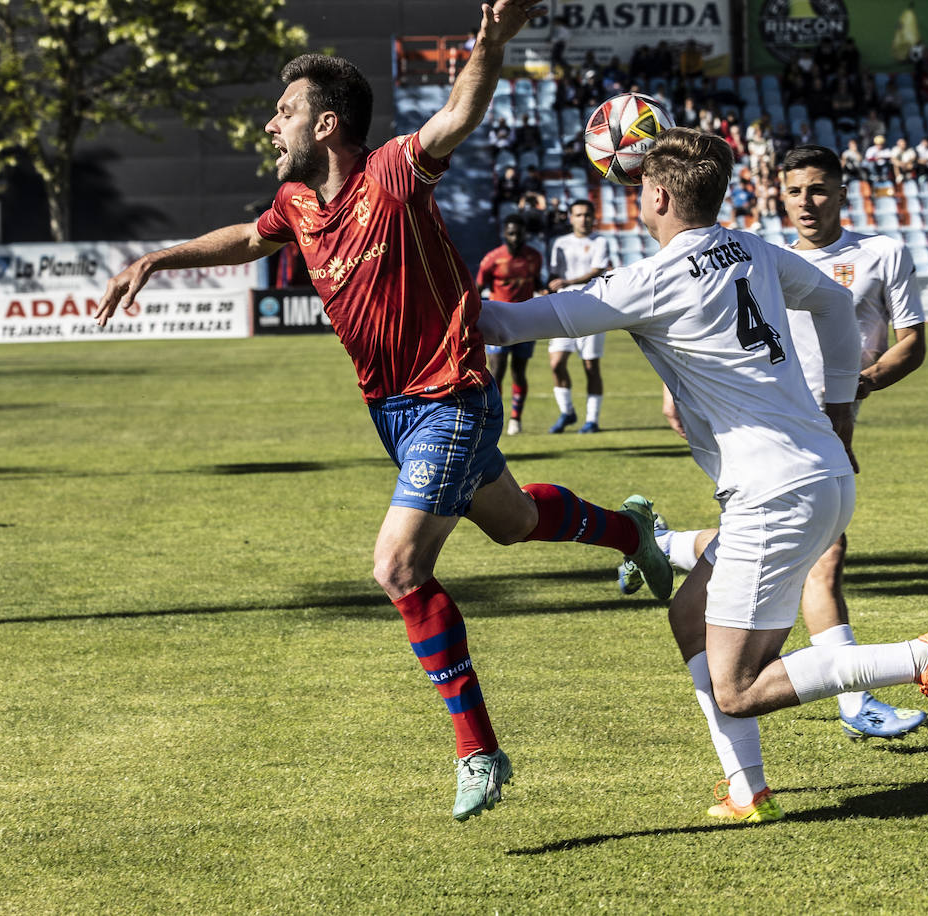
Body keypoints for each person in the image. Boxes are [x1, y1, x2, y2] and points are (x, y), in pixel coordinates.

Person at [93, 0, 675, 823]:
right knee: (509, 523)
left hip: (451, 395)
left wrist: (490, 42)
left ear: (328, 126)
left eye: (284, 111)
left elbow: (456, 117)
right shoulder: (298, 206)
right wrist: (161, 257)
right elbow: (250, 239)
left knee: (399, 567)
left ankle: (479, 750)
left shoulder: (392, 173)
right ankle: (632, 532)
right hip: (395, 415)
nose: (271, 125)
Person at [478, 129, 928, 823]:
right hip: (819, 475)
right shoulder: (753, 248)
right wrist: (839, 408)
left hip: (773, 492)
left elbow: (500, 324)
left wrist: (406, 287)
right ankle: (748, 790)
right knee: (690, 615)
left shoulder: (645, 282)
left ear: (653, 195)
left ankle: (919, 659)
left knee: (738, 685)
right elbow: (835, 304)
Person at [642, 143, 928, 743]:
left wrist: (857, 386)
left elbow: (913, 343)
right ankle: (859, 699)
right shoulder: (758, 255)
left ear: (843, 192)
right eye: (795, 190)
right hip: (760, 425)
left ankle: (658, 541)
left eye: (820, 189)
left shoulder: (880, 254)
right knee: (818, 552)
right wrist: (679, 388)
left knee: (797, 544)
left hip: (825, 421)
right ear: (780, 195)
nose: (807, 201)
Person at [545, 199, 614, 433]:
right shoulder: (560, 243)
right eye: (578, 215)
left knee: (591, 366)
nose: (583, 219)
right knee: (556, 363)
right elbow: (553, 275)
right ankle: (567, 412)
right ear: (571, 218)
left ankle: (592, 419)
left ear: (593, 217)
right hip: (563, 308)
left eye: (587, 215)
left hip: (592, 307)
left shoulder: (600, 241)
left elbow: (597, 271)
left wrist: (567, 281)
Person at [477, 214, 544, 435]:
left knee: (519, 370)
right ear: (504, 233)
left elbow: (537, 282)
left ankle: (516, 418)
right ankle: (494, 418)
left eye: (519, 233)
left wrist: (545, 288)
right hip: (498, 322)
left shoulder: (533, 257)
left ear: (525, 233)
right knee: (496, 370)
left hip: (526, 321)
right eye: (511, 233)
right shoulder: (492, 259)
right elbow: (477, 290)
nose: (515, 237)